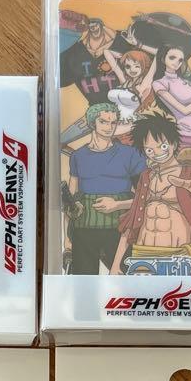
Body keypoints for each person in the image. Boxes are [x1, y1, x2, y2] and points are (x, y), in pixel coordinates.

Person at [110, 114, 191, 273]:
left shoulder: (190, 175)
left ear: (173, 144)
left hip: (179, 258)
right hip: (142, 254)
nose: (157, 152)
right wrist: (116, 264)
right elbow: (131, 222)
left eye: (162, 146)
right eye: (149, 149)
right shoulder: (146, 177)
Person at [65, 103, 147, 274]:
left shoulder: (131, 154)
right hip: (84, 230)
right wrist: (68, 240)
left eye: (113, 122)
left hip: (119, 231)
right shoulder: (78, 156)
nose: (109, 127)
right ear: (92, 123)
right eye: (103, 121)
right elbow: (70, 202)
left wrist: (117, 205)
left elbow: (145, 197)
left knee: (125, 280)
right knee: (83, 281)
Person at [60, 49, 155, 145]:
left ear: (144, 67)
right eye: (128, 66)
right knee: (62, 140)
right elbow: (106, 52)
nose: (132, 70)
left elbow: (158, 56)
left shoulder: (143, 86)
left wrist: (140, 45)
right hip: (111, 120)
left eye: (137, 66)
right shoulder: (124, 81)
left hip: (127, 126)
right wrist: (122, 56)